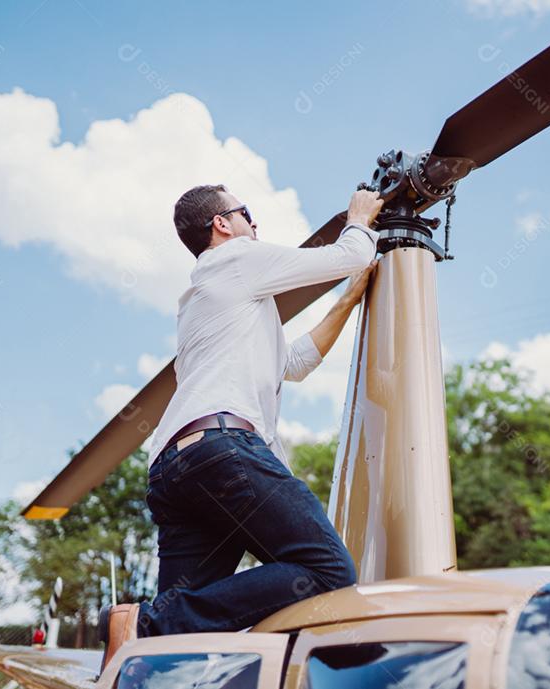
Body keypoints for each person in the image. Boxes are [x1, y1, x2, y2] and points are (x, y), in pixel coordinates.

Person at [98, 185, 383, 669]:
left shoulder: (213, 298)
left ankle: (144, 640)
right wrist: (359, 218)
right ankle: (143, 624)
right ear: (222, 225)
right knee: (327, 569)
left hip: (178, 469)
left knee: (179, 656)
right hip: (221, 452)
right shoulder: (234, 259)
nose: (255, 224)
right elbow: (350, 252)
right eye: (246, 213)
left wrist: (348, 301)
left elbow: (293, 362)